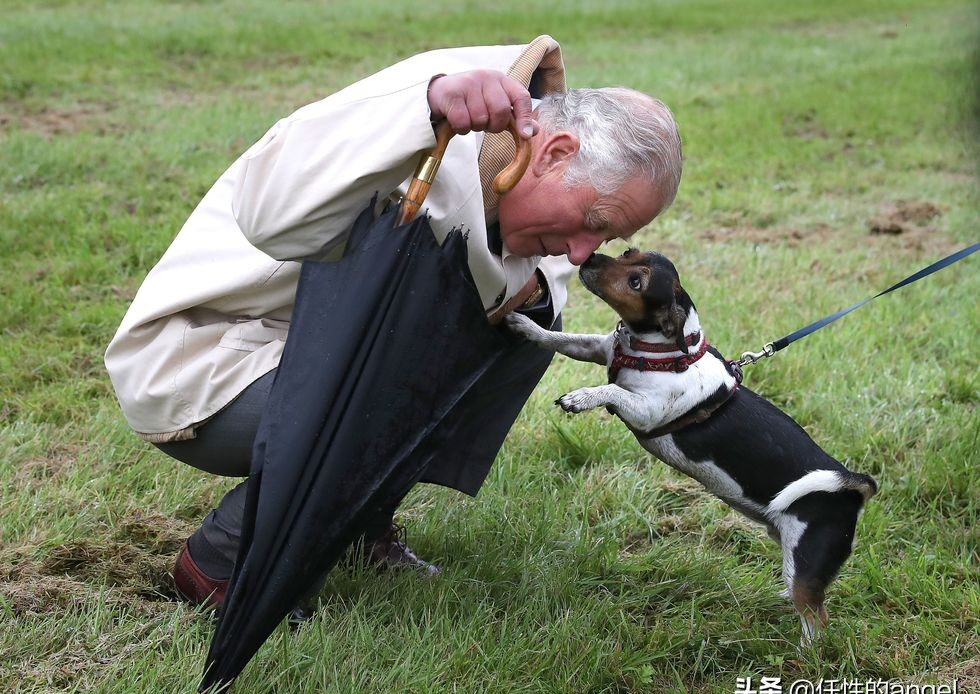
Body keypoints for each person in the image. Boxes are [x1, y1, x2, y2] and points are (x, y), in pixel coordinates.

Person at [104, 35, 683, 608]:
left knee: (524, 336)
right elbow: (268, 216)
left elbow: (519, 291)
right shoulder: (441, 98)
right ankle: (221, 558)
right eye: (592, 221)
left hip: (320, 352)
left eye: (605, 237)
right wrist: (424, 108)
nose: (584, 252)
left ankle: (355, 520)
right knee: (412, 376)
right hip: (206, 354)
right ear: (554, 153)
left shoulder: (527, 159)